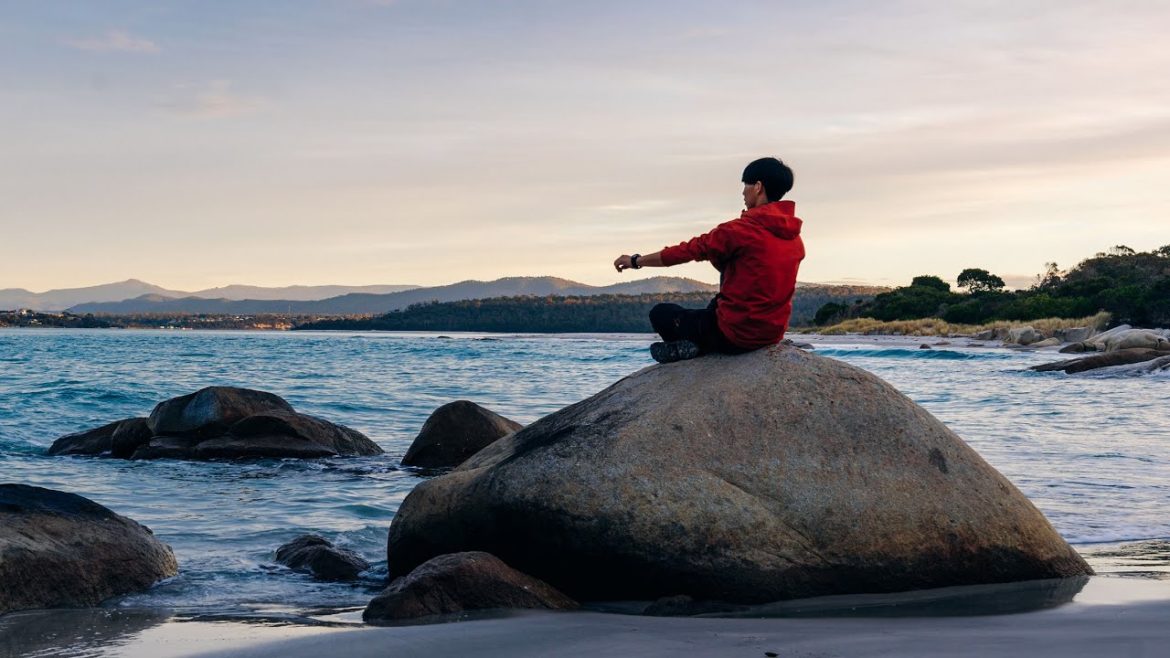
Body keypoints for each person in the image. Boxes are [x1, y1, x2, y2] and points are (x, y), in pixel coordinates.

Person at [613, 157, 805, 363]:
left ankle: (693, 347)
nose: (743, 192)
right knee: (714, 304)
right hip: (772, 334)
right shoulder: (794, 239)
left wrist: (636, 261)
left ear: (758, 187)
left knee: (660, 313)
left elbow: (684, 251)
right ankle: (695, 343)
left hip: (736, 336)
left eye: (746, 185)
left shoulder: (739, 231)